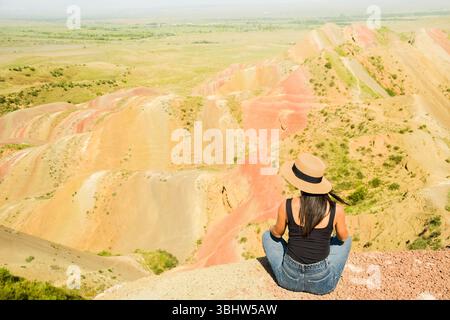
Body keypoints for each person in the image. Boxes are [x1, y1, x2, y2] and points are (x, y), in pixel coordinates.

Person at [262, 153, 352, 295]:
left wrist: (272, 229)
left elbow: (276, 234)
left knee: (267, 236)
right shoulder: (336, 210)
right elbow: (343, 238)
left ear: (298, 182)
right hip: (321, 282)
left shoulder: (287, 205)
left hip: (288, 279)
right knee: (347, 240)